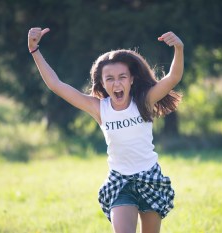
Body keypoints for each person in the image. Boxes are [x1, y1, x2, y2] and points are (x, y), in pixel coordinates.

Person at [28, 27, 184, 233]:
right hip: (120, 182)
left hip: (150, 178)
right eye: (109, 78)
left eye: (122, 77)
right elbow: (56, 84)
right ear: (102, 83)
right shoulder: (99, 108)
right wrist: (34, 50)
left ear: (131, 80)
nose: (116, 83)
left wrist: (179, 49)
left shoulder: (144, 101)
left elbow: (172, 78)